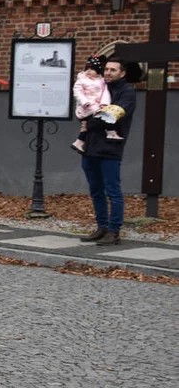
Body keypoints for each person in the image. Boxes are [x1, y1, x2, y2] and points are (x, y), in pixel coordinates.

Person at [79, 59, 137, 246]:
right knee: (96, 190)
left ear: (123, 73)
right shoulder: (99, 88)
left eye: (113, 70)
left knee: (113, 191)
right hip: (90, 147)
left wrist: (90, 122)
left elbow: (111, 117)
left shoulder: (126, 93)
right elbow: (82, 110)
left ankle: (114, 231)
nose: (108, 73)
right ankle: (101, 227)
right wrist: (87, 119)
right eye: (106, 69)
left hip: (111, 148)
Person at [71, 55, 121, 153]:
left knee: (88, 126)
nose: (89, 71)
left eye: (92, 69)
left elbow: (105, 93)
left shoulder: (102, 81)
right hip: (85, 108)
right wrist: (85, 102)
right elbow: (77, 92)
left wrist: (104, 103)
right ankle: (110, 132)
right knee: (103, 118)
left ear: (98, 71)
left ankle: (79, 142)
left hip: (97, 106)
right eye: (87, 68)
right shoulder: (81, 80)